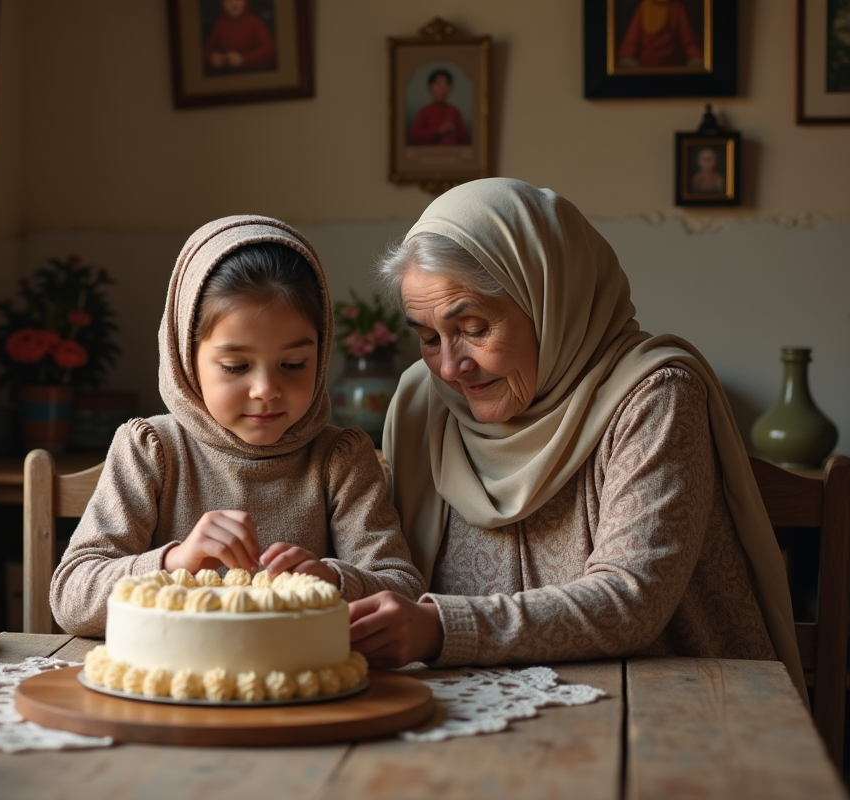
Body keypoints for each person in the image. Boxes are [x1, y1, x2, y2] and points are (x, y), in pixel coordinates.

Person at [348, 178, 805, 699]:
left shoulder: (654, 396)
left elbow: (632, 601)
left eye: (474, 327)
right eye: (429, 338)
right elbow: (393, 573)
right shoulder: (420, 404)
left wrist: (438, 627)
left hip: (671, 709)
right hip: (477, 711)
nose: (451, 367)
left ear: (550, 301)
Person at [51, 216, 424, 636]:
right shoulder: (152, 449)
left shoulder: (339, 458)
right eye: (235, 366)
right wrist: (175, 563)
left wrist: (333, 581)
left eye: (293, 365)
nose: (266, 389)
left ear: (321, 355)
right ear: (185, 358)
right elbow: (71, 598)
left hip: (299, 690)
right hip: (168, 692)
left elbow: (404, 590)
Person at [617, 0, 703, 69]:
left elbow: (689, 41)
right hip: (645, 69)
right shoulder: (644, 7)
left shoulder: (677, 8)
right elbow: (631, 42)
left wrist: (696, 59)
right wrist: (626, 58)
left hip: (673, 68)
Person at [204, 0, 277, 74]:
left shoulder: (254, 22)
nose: (234, 4)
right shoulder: (219, 25)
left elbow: (269, 49)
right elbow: (206, 51)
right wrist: (211, 58)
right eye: (228, 1)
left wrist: (243, 60)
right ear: (222, 4)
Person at [407, 69, 471, 146]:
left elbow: (466, 140)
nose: (442, 89)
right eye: (438, 84)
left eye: (446, 85)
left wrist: (454, 132)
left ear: (450, 89)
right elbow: (414, 136)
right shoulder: (425, 111)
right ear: (430, 88)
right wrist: (438, 131)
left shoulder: (454, 111)